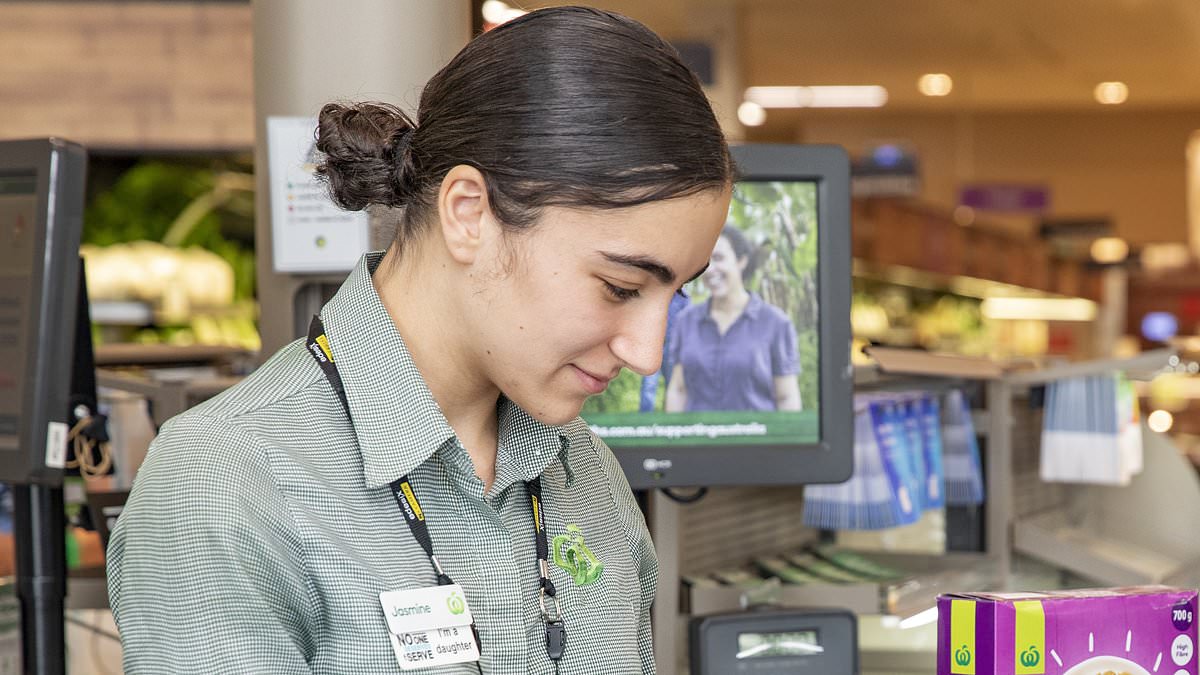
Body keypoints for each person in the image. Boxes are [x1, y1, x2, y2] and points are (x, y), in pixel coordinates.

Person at [106, 7, 732, 675]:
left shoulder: (588, 476)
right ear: (468, 213)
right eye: (620, 286)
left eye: (679, 293)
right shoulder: (225, 485)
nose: (648, 352)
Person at [665, 226, 802, 413]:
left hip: (757, 440)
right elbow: (678, 390)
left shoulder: (776, 324)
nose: (710, 269)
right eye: (704, 262)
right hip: (698, 439)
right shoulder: (685, 322)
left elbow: (787, 397)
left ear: (742, 261)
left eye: (719, 258)